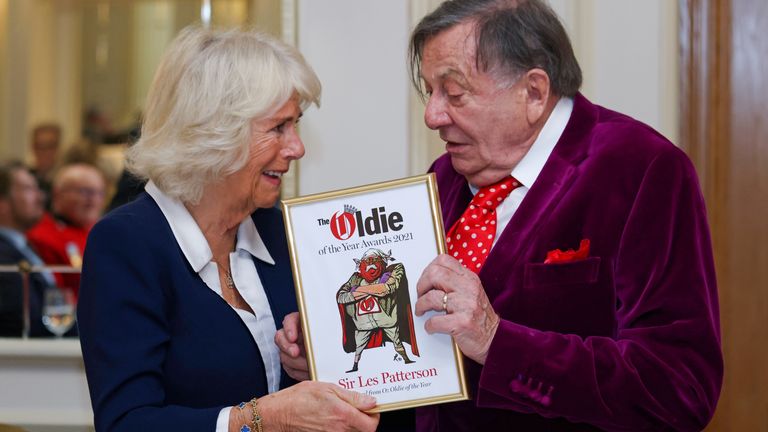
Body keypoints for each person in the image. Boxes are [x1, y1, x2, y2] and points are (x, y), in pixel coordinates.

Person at [278, 1, 723, 431]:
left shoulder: (641, 170)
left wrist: (500, 343)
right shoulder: (445, 177)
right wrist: (326, 357)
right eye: (429, 92)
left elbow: (680, 387)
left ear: (533, 92)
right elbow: (424, 359)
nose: (433, 115)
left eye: (453, 93)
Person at [77, 26, 379, 432]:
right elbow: (126, 422)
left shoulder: (280, 231)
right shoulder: (127, 244)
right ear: (214, 133)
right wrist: (264, 419)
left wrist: (315, 361)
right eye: (279, 128)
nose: (297, 148)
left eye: (297, 125)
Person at [0, 161, 75, 337]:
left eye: (37, 189)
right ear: (2, 202)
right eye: (28, 189)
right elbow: (27, 317)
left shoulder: (24, 246)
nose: (40, 197)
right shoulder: (3, 255)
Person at [26, 162, 107, 299]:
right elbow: (55, 294)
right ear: (58, 194)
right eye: (85, 192)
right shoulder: (42, 237)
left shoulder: (103, 232)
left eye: (99, 193)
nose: (93, 200)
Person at [337, 248, 419, 373]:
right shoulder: (355, 278)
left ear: (383, 261)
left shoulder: (393, 271)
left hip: (387, 319)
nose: (371, 263)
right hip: (363, 324)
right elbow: (341, 297)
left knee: (397, 341)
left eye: (375, 259)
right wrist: (374, 290)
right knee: (359, 347)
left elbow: (386, 288)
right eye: (366, 261)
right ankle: (355, 366)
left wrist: (356, 290)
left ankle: (406, 359)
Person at [28, 123, 62, 207]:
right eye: (40, 146)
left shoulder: (64, 179)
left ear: (58, 148)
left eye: (50, 146)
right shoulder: (27, 178)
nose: (44, 152)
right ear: (33, 148)